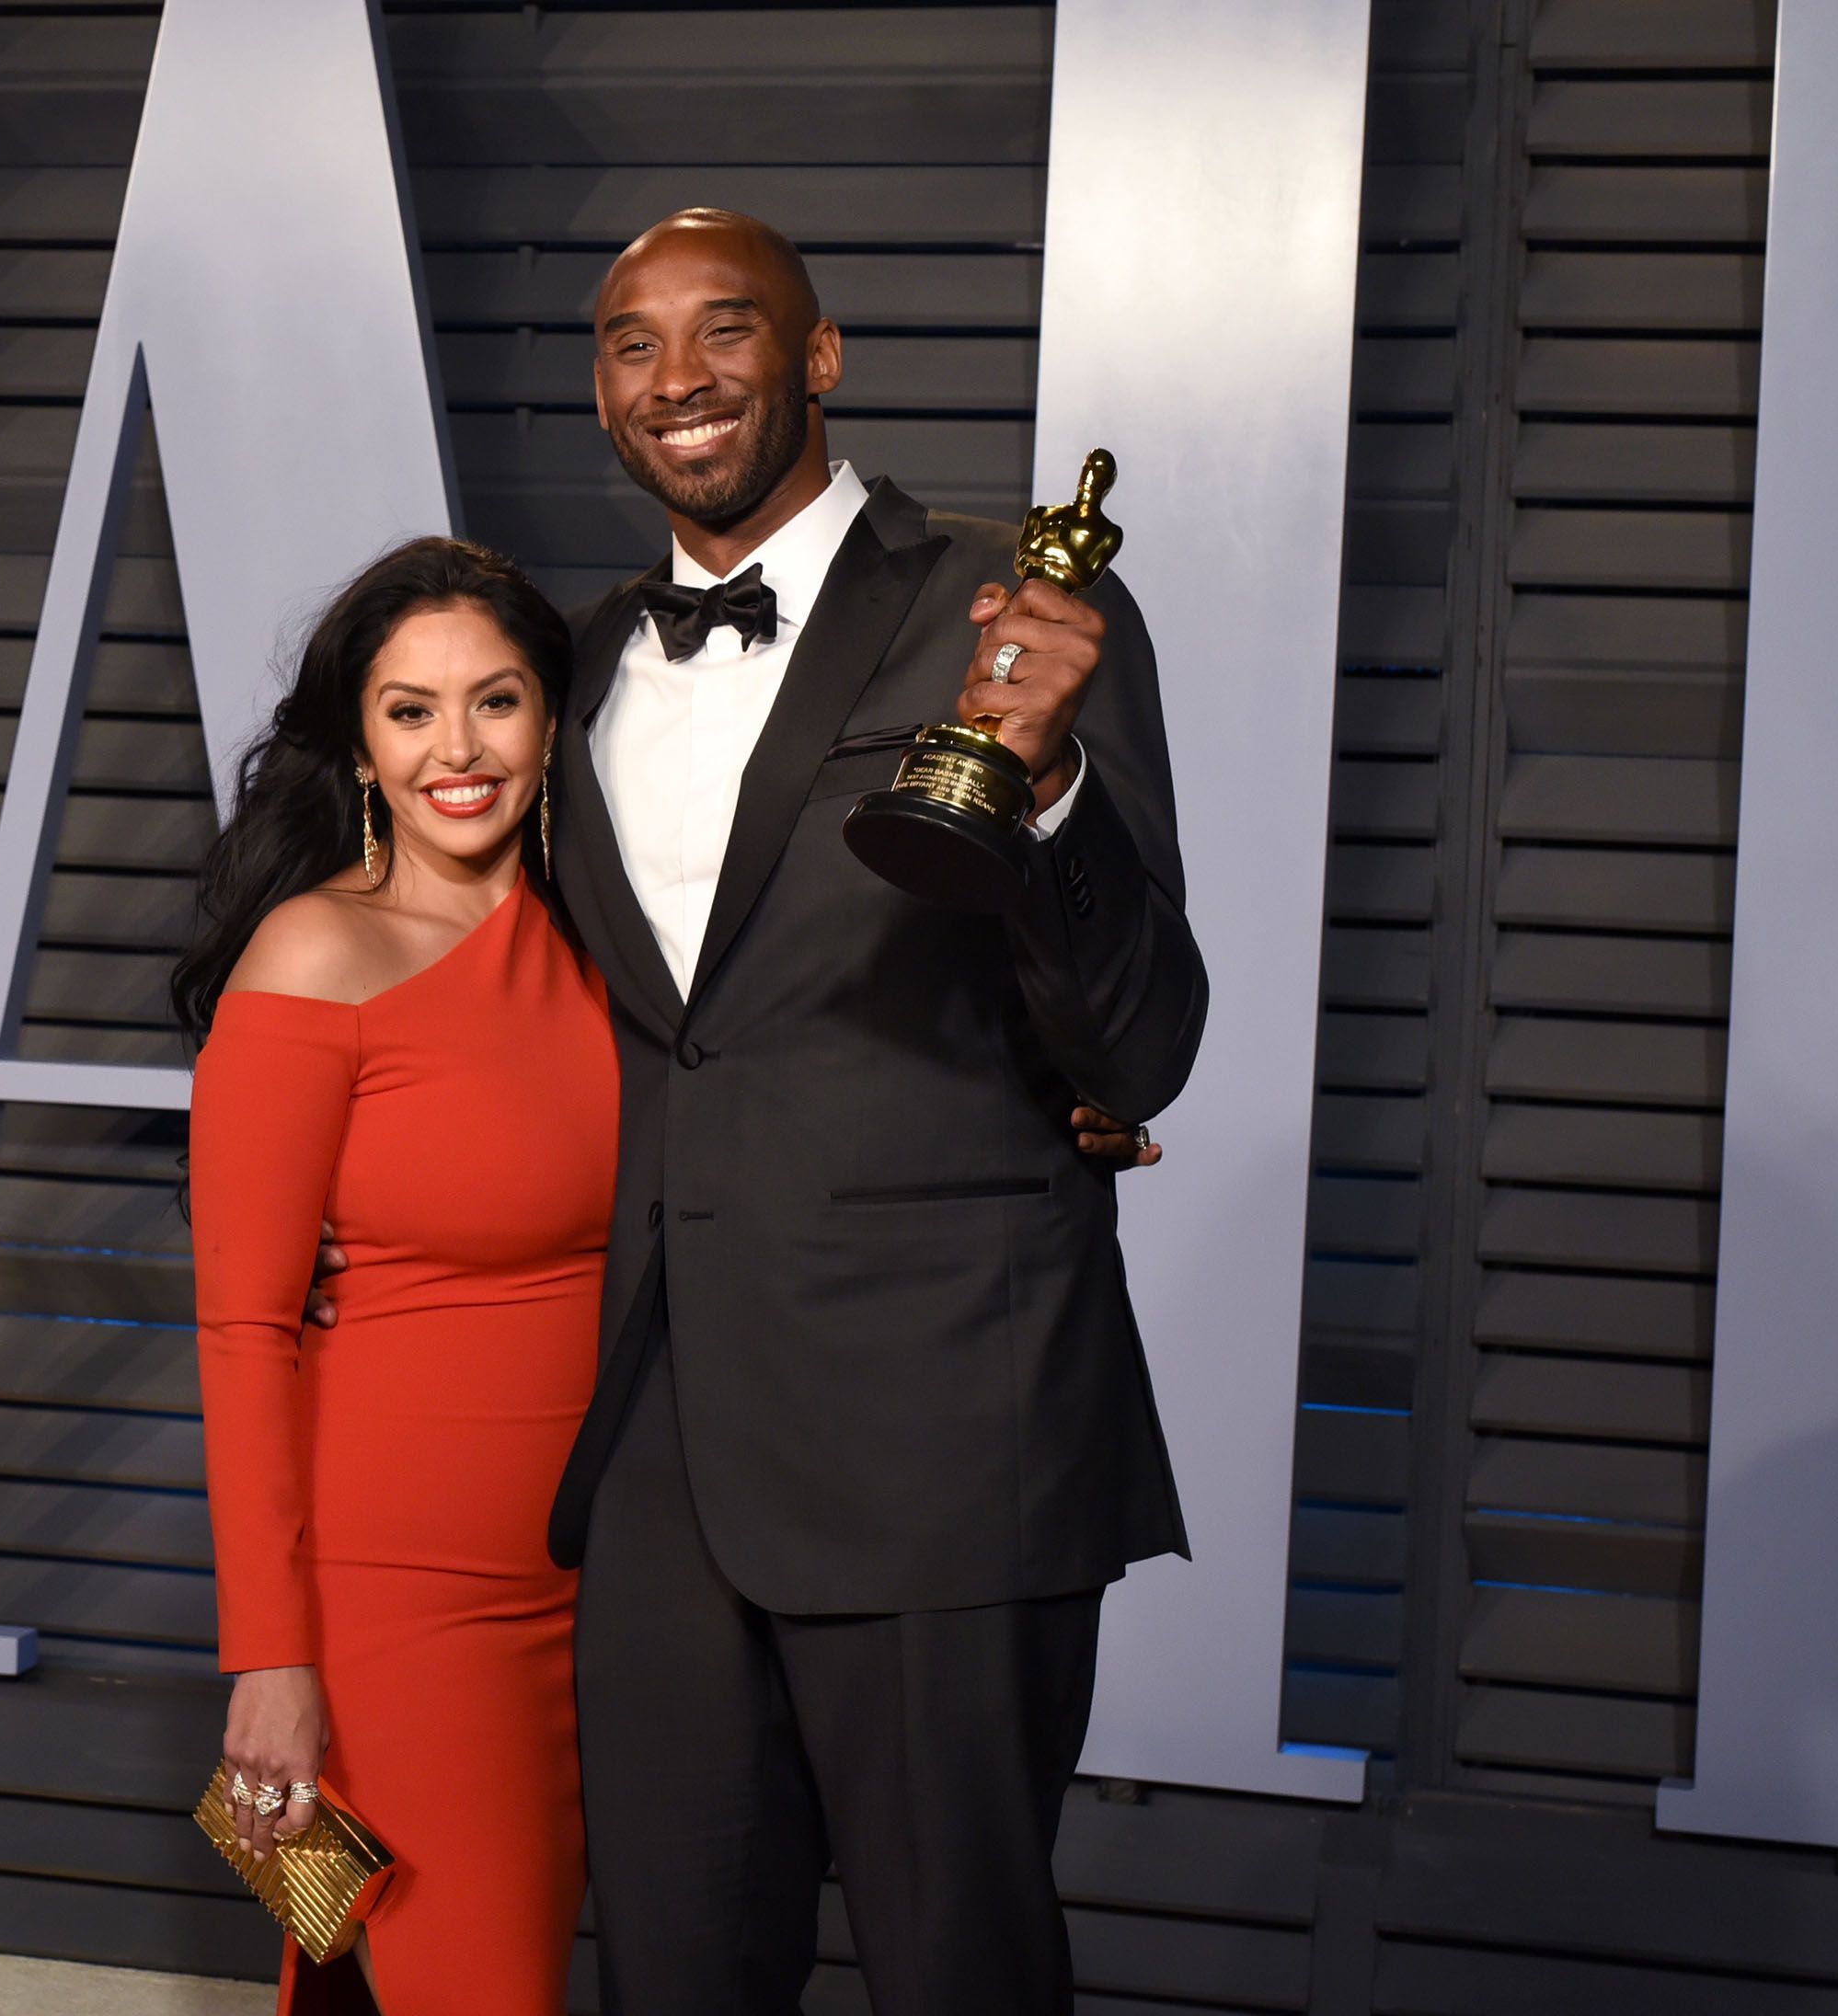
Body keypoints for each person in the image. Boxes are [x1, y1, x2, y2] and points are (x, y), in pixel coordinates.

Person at [545, 210, 1209, 2015]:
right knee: (671, 1973)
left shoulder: (1012, 609)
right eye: (630, 342)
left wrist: (1051, 785)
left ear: (819, 357)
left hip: (943, 1426)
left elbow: (1143, 1040)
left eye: (725, 329)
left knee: (956, 1974)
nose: (677, 378)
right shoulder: (577, 654)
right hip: (662, 1445)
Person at [178, 539, 604, 2013]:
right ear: (359, 740)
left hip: (612, 1578)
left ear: (553, 720)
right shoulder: (315, 955)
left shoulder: (614, 953)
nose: (457, 750)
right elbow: (242, 1328)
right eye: (410, 710)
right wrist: (271, 1662)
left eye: (494, 702)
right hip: (406, 1598)